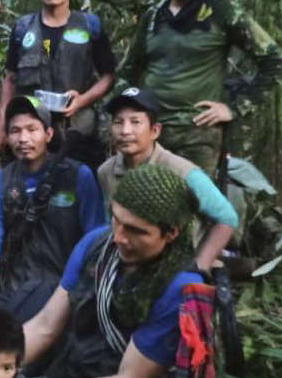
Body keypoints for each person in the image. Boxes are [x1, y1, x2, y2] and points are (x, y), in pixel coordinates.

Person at [0, 164, 204, 378]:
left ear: (171, 233)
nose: (118, 237)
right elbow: (45, 326)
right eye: (116, 220)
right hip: (71, 371)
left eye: (135, 230)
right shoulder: (96, 245)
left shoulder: (177, 289)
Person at [118, 0, 282, 175]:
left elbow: (276, 63)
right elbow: (127, 73)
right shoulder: (153, 17)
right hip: (151, 134)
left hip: (198, 135)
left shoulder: (222, 12)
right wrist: (127, 120)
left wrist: (234, 108)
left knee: (192, 207)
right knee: (143, 205)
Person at [0, 95, 105, 326]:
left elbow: (95, 238)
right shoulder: (2, 180)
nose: (23, 138)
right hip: (15, 284)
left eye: (32, 129)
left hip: (62, 286)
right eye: (15, 130)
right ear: (6, 136)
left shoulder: (78, 175)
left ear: (48, 134)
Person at [0, 0, 116, 171]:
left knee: (78, 190)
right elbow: (11, 78)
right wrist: (2, 123)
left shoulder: (90, 26)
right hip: (31, 133)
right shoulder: (23, 29)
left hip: (77, 132)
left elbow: (108, 76)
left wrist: (83, 100)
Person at [99, 87, 238, 271]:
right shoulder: (106, 171)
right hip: (130, 260)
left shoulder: (181, 171)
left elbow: (227, 218)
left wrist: (199, 266)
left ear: (155, 131)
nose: (125, 131)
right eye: (118, 122)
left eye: (135, 122)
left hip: (176, 266)